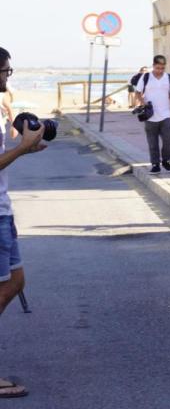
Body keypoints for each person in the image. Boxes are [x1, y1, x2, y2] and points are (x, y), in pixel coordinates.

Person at [0, 47, 47, 399]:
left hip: (3, 211)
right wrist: (21, 149)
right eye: (5, 70)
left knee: (15, 282)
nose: (7, 76)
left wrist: (26, 146)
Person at [135, 55, 170, 174]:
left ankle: (166, 161)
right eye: (158, 68)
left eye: (162, 68)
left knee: (169, 140)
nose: (160, 71)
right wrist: (143, 103)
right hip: (150, 116)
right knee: (152, 143)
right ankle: (155, 164)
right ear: (153, 66)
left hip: (166, 115)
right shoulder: (146, 77)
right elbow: (137, 93)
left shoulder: (168, 78)